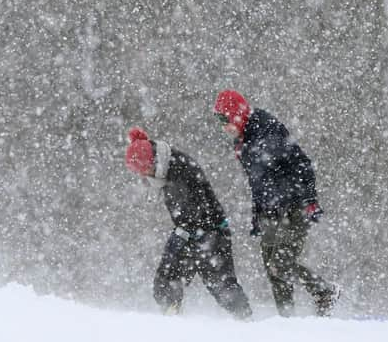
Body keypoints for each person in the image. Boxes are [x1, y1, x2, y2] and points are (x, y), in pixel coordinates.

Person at [213, 90, 340, 317]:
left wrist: (309, 199)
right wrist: (257, 216)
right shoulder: (241, 142)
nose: (224, 127)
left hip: (293, 207)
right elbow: (257, 183)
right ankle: (286, 320)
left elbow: (302, 163)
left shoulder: (267, 128)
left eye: (226, 119)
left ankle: (325, 291)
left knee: (280, 265)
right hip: (268, 212)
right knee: (273, 271)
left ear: (238, 115)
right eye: (220, 121)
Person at [125, 127, 252, 319]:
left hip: (211, 231)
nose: (145, 176)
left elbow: (193, 213)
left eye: (145, 170)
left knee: (220, 283)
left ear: (153, 161)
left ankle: (246, 322)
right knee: (166, 279)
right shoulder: (167, 168)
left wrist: (184, 238)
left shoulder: (178, 171)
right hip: (192, 230)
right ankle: (172, 316)